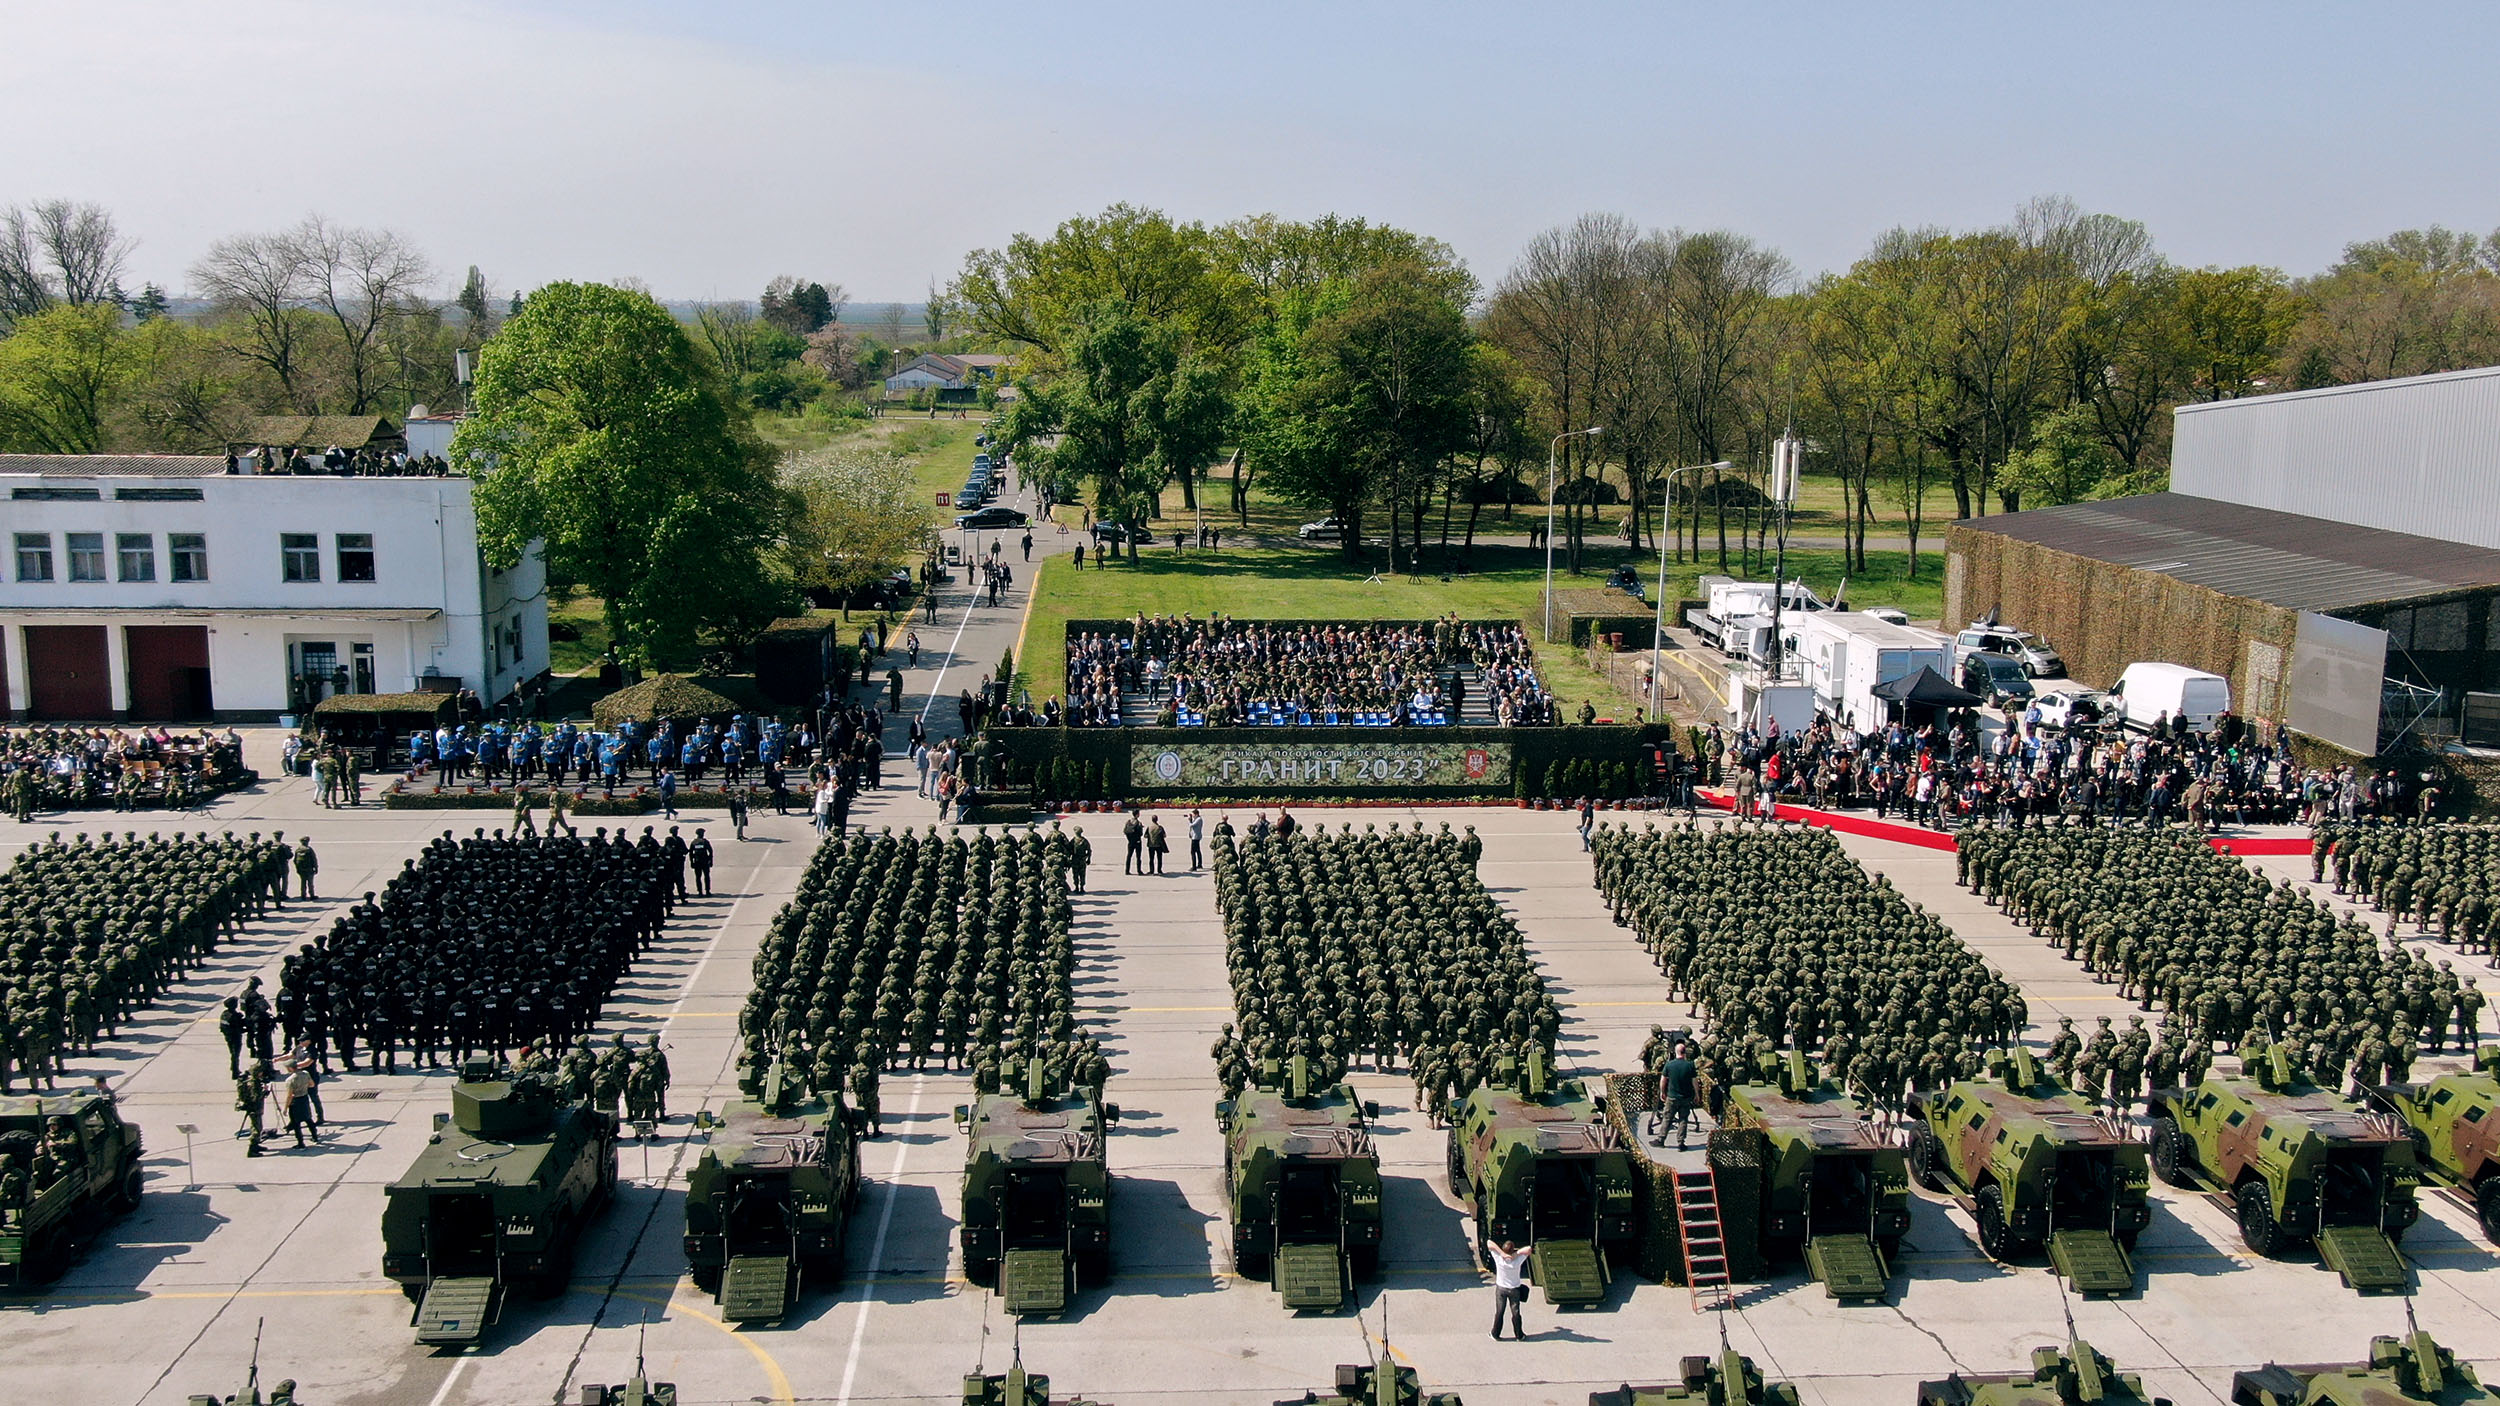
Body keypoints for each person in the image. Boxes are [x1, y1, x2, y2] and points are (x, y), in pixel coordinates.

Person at [1658, 1041, 1700, 1150]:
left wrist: (1662, 1092)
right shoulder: (1690, 1065)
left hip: (1672, 1097)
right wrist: (1697, 1094)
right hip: (1685, 1098)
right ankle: (1681, 1142)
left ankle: (1661, 1139)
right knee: (1683, 1119)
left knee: (1667, 1118)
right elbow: (1694, 1081)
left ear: (1675, 1052)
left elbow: (1663, 1080)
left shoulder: (1669, 1065)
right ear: (1685, 1053)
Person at [1489, 1239, 1532, 1340]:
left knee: (1500, 1311)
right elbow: (1529, 1249)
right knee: (1515, 1312)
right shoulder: (1517, 1261)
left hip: (1501, 1289)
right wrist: (1515, 1254)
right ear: (1512, 1250)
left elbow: (1489, 1243)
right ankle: (1519, 1335)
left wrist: (1502, 1253)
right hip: (1514, 1290)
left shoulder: (1499, 1258)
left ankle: (1495, 1334)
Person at [688, 828, 715, 896]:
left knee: (698, 877)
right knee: (706, 876)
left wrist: (692, 862)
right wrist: (711, 861)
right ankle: (707, 891)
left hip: (697, 862)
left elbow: (691, 853)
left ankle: (700, 892)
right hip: (704, 861)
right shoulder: (705, 842)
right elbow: (710, 851)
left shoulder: (694, 842)